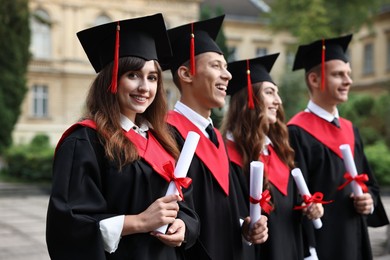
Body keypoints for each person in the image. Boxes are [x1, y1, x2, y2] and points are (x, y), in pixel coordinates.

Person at [45, 14, 200, 260]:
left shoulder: (165, 140)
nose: (145, 88)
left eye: (152, 77)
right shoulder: (86, 141)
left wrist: (184, 226)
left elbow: (186, 207)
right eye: (133, 75)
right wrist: (138, 222)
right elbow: (68, 227)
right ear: (111, 80)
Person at [163, 15, 269, 260]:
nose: (228, 76)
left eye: (226, 67)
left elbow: (229, 212)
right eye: (216, 66)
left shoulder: (216, 139)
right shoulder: (166, 133)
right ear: (186, 73)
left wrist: (247, 227)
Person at [287, 34, 389, 260]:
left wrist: (368, 201)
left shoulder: (350, 129)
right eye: (338, 75)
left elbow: (368, 183)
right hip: (322, 245)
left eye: (349, 75)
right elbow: (293, 198)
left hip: (356, 239)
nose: (348, 81)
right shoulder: (296, 132)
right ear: (314, 80)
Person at [221, 53, 324, 260]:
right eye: (269, 93)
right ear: (249, 100)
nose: (278, 101)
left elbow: (292, 206)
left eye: (277, 93)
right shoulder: (228, 155)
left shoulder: (278, 151)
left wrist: (311, 209)